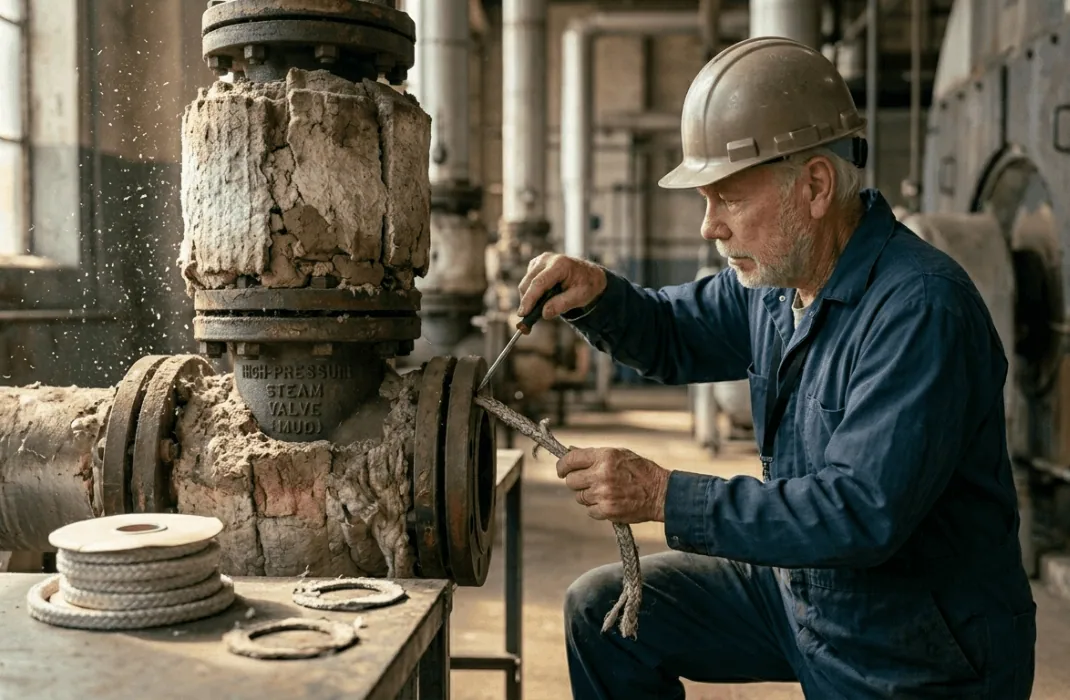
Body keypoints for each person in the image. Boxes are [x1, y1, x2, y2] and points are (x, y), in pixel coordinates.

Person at [517, 36, 1036, 699]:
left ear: (816, 185)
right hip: (809, 594)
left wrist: (664, 495)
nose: (710, 228)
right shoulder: (777, 285)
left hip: (915, 643)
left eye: (727, 198)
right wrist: (599, 295)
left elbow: (858, 514)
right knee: (605, 612)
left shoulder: (921, 309)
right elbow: (673, 331)